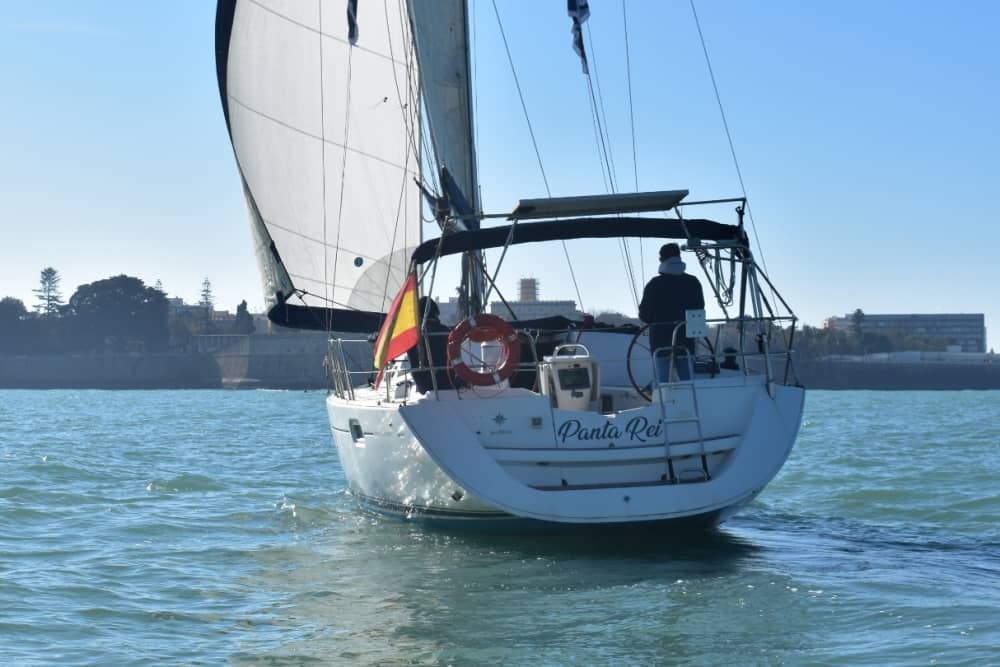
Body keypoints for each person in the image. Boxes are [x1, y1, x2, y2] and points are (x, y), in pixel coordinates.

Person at [638, 243, 705, 382]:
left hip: (660, 343)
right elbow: (699, 311)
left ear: (661, 259)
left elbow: (644, 315)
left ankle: (663, 401)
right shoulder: (693, 282)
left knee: (662, 384)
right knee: (688, 382)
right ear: (679, 257)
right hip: (686, 342)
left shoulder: (654, 285)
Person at [407, 296, 453, 393]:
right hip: (448, 383)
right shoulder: (446, 332)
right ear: (436, 313)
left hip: (424, 385)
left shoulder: (414, 335)